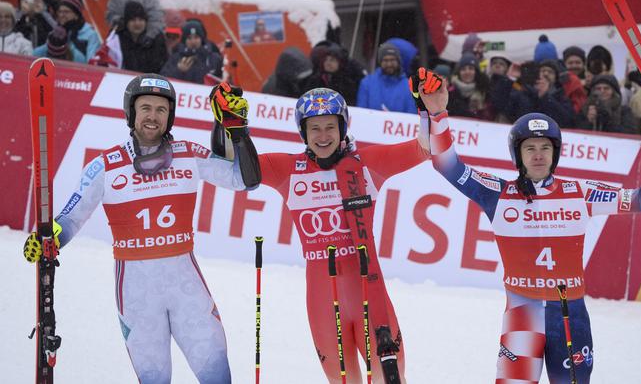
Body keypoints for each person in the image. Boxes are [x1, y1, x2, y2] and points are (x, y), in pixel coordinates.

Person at [415, 68, 641, 383]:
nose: (538, 155)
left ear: (555, 152)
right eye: (530, 148)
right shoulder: (496, 193)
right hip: (522, 317)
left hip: (569, 317)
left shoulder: (580, 193)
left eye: (545, 147)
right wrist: (436, 114)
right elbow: (446, 165)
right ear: (518, 154)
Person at [23, 74, 262, 384]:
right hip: (137, 293)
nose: (153, 116)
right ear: (131, 113)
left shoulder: (188, 153)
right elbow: (70, 218)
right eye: (145, 108)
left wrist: (238, 131)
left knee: (217, 375)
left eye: (161, 110)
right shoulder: (105, 166)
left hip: (186, 287)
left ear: (170, 116)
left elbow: (245, 180)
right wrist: (49, 238)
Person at [212, 86, 431, 383]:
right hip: (323, 303)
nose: (323, 135)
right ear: (303, 132)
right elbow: (231, 168)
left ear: (343, 127)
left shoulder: (367, 164)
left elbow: (426, 148)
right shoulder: (286, 169)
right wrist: (228, 123)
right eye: (314, 128)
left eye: (330, 126)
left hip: (370, 296)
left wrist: (430, 110)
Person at [357, 41, 417, 113]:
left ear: (398, 61)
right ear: (380, 62)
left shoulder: (410, 86)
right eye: (385, 60)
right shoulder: (367, 83)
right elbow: (361, 112)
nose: (389, 64)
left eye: (392, 60)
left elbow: (411, 115)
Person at [161, 20, 222, 84]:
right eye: (189, 38)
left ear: (202, 39)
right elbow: (163, 80)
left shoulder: (213, 58)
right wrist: (179, 71)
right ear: (184, 40)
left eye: (196, 37)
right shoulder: (176, 58)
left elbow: (223, 81)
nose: (193, 41)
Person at [116, 1, 167, 73]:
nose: (137, 23)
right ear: (126, 22)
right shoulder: (117, 39)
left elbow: (163, 66)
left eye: (141, 19)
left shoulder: (156, 39)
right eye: (133, 20)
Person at [445, 52, 495, 121]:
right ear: (459, 72)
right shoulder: (450, 93)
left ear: (476, 71)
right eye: (463, 69)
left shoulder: (485, 91)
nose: (467, 72)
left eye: (471, 68)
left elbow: (490, 116)